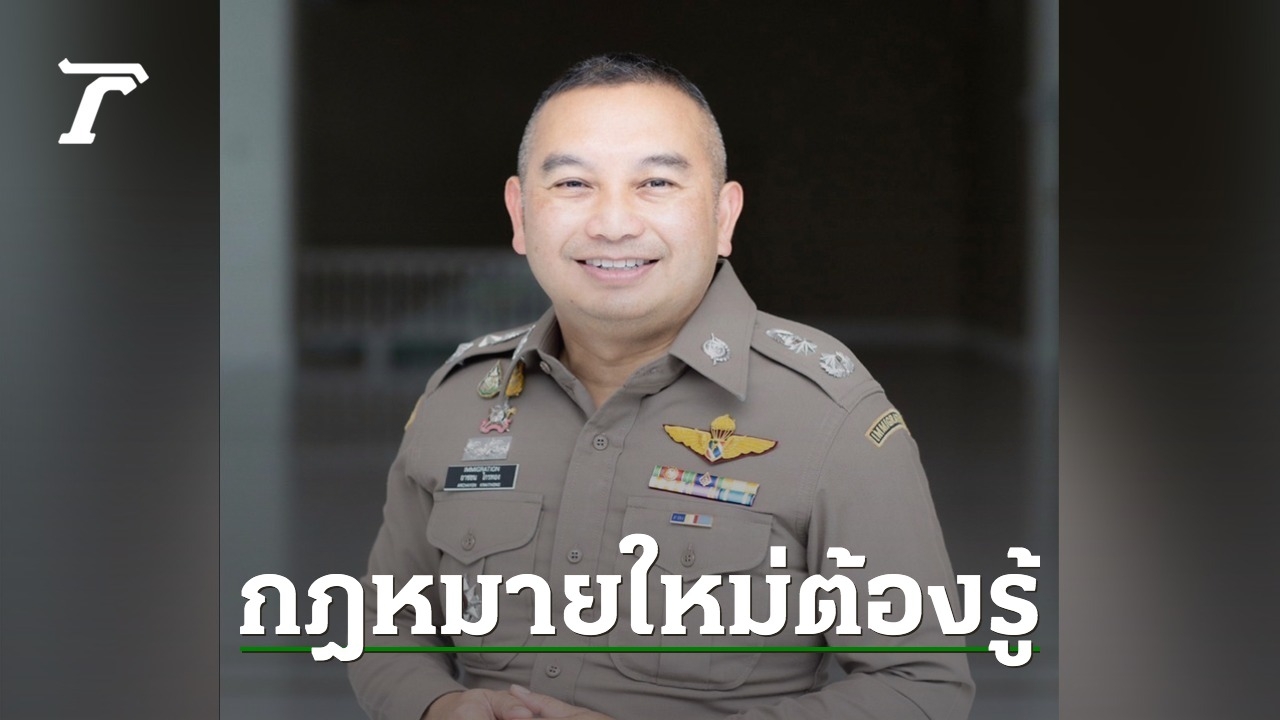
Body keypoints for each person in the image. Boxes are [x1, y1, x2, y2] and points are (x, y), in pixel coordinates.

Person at [349, 53, 974, 720]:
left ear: (724, 216)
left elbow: (920, 685)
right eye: (573, 184)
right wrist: (439, 706)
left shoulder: (828, 415)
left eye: (655, 182)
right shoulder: (460, 399)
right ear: (520, 214)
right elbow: (384, 625)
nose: (613, 223)